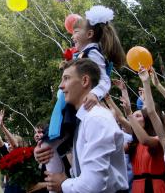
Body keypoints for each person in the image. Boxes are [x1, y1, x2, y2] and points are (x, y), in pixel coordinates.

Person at [43, 6, 126, 187]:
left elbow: (104, 79)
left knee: (46, 146)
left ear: (89, 34)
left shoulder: (93, 53)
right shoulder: (83, 54)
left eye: (76, 31)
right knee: (45, 147)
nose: (72, 36)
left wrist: (95, 94)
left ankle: (55, 184)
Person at [44, 59, 128, 192]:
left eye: (66, 78)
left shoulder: (97, 119)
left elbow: (93, 185)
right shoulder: (82, 120)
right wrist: (42, 150)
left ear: (84, 81)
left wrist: (63, 184)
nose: (61, 86)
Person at [117, 80, 165, 193]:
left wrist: (130, 113)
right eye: (133, 116)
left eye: (138, 115)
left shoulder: (158, 139)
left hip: (155, 186)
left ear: (146, 119)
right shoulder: (133, 142)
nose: (134, 118)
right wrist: (109, 98)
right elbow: (120, 117)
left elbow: (145, 139)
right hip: (137, 187)